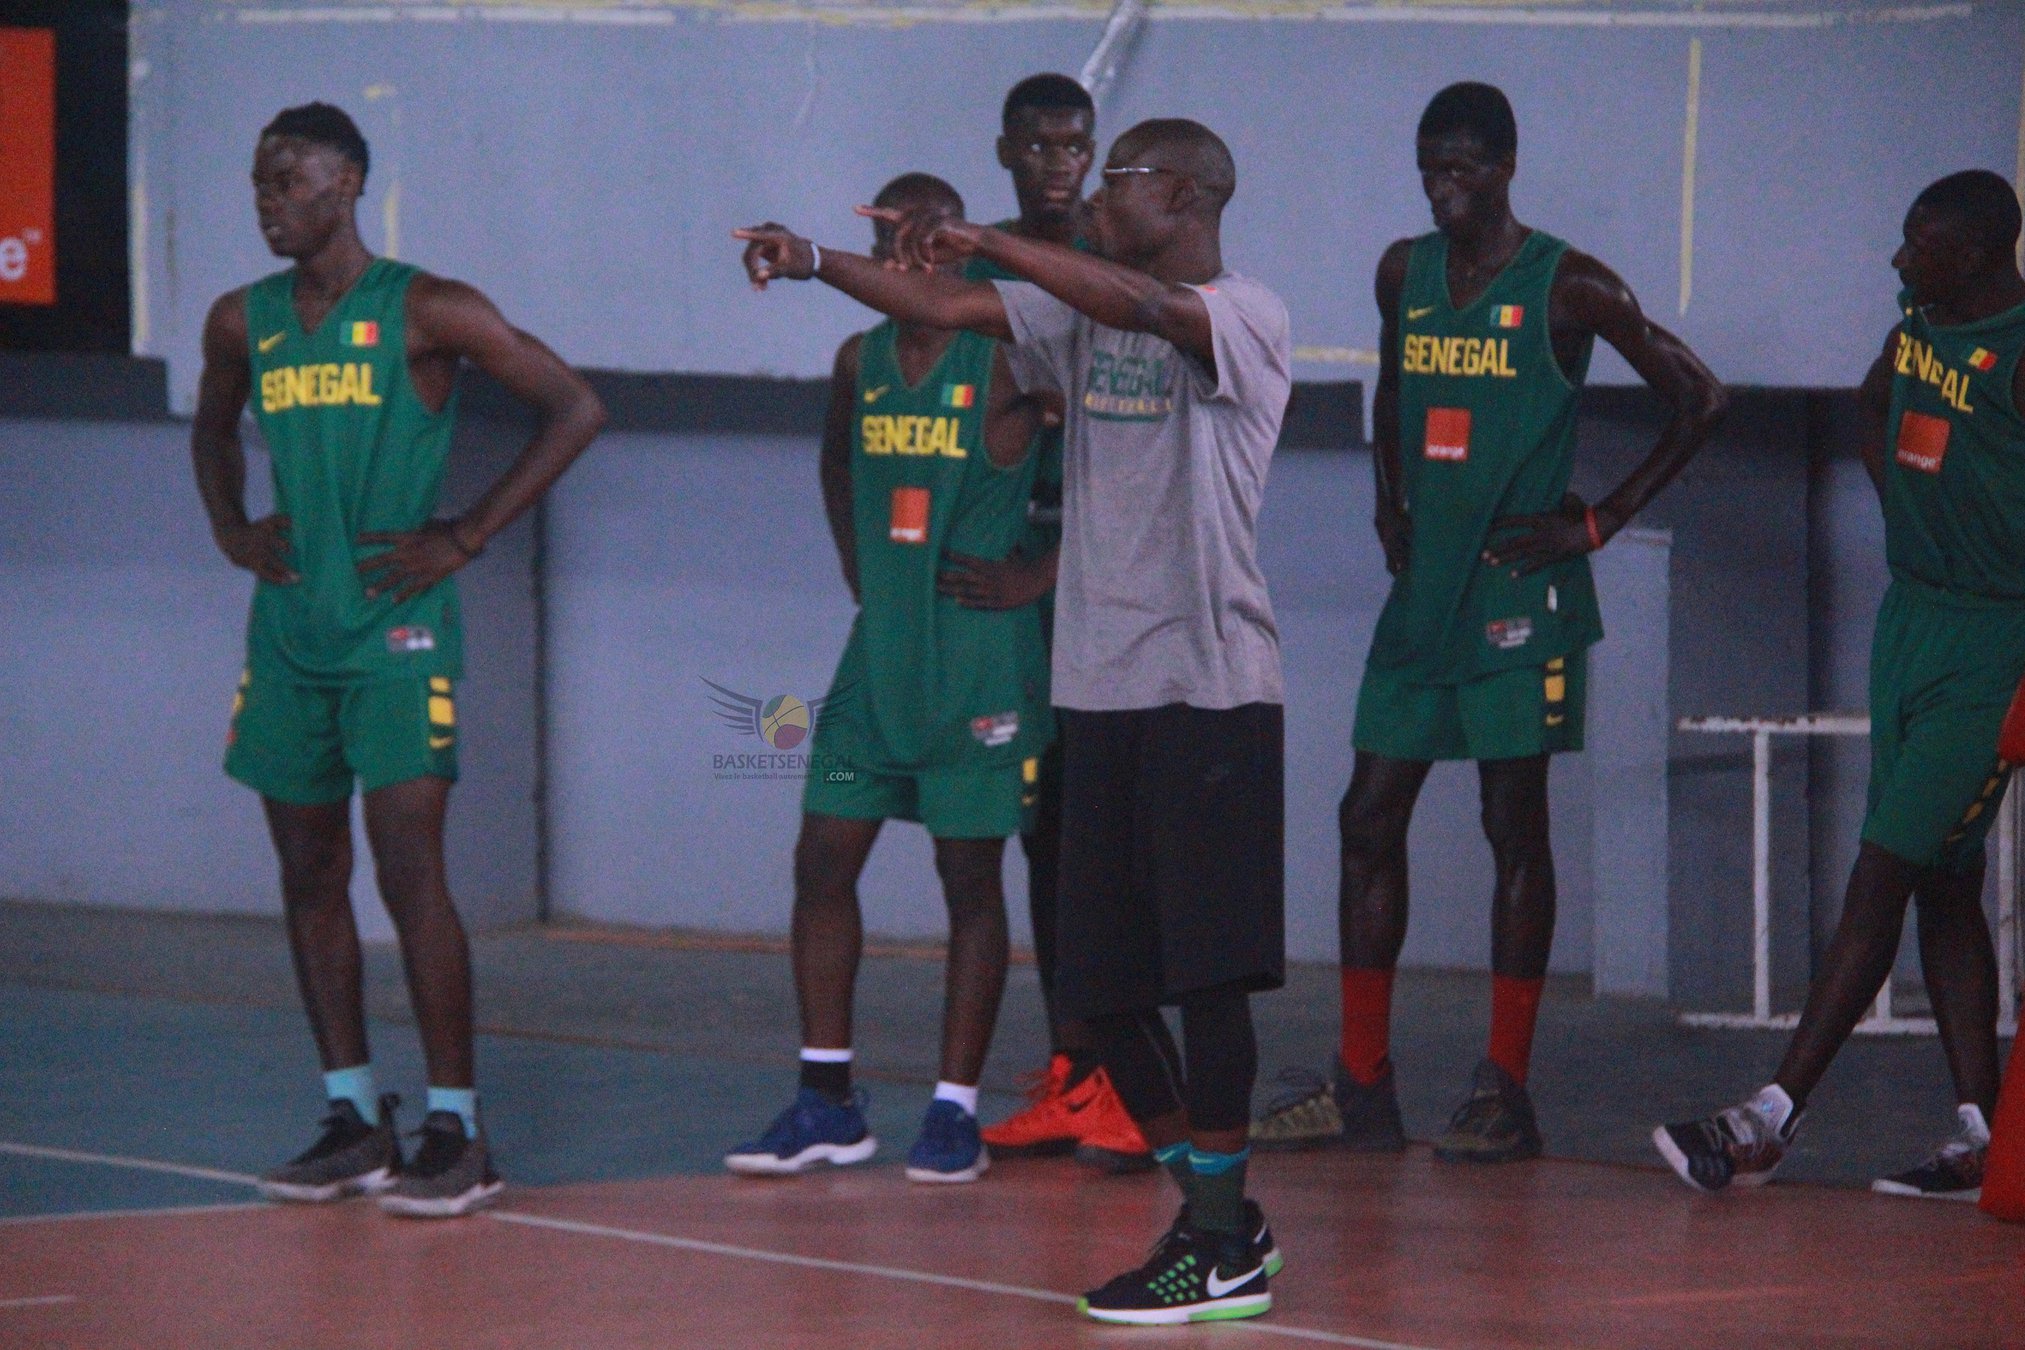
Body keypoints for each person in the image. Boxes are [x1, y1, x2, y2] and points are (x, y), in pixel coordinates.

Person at [737, 114, 1292, 1325]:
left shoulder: (1246, 313)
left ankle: (1216, 1238)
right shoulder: (1071, 317)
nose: (1093, 195)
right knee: (1096, 988)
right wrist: (815, 260)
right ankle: (1221, 1221)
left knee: (1208, 984)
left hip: (1211, 690)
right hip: (1095, 692)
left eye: (1119, 179)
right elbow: (953, 312)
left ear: (1189, 198)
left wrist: (990, 239)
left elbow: (1146, 310)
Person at [1253, 81, 1724, 1163]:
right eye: (1430, 167)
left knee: (1513, 828)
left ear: (1506, 167)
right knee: (1366, 817)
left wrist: (1599, 523)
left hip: (1522, 597)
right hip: (1426, 597)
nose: (1443, 187)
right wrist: (1387, 499)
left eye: (1463, 167)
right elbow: (1391, 390)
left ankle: (1504, 1090)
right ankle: (1361, 1085)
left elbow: (1701, 398)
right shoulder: (1402, 272)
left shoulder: (1572, 287)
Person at [191, 102, 605, 1217]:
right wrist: (233, 526)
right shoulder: (244, 321)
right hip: (289, 636)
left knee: (411, 872)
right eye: (258, 181)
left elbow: (575, 407)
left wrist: (465, 534)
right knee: (310, 875)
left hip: (397, 638)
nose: (268, 197)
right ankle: (352, 1116)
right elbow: (209, 428)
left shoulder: (428, 308)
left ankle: (458, 1128)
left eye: (288, 178)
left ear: (348, 181)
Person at [1656, 170, 2025, 1199]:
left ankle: (1771, 1119)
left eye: (1922, 244)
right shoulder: (1918, 325)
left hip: (1997, 639)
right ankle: (1986, 1137)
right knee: (1946, 884)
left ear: (1982, 254)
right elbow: (1877, 401)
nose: (1899, 259)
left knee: (1885, 865)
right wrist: (1908, 498)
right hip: (1912, 617)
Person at [722, 173, 1053, 1185]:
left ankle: (954, 1109)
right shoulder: (856, 360)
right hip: (882, 651)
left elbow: (1126, 471)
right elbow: (834, 461)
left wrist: (1039, 572)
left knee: (969, 880)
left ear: (963, 247)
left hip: (978, 659)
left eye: (930, 235)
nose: (911, 252)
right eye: (893, 233)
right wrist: (855, 560)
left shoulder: (1008, 359)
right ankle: (828, 1100)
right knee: (822, 859)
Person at [953, 72, 1152, 1175]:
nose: (1057, 163)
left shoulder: (1117, 274)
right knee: (1047, 833)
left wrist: (1054, 570)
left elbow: (1146, 455)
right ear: (1005, 151)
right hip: (1006, 594)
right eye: (1036, 146)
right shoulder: (976, 271)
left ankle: (1136, 1082)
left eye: (1074, 145)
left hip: (1108, 594)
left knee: (1115, 840)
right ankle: (1075, 1072)